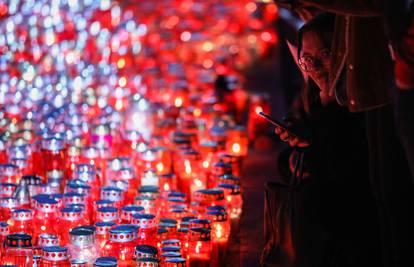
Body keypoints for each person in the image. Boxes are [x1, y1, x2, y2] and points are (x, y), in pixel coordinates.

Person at [273, 1, 414, 266]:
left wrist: (310, 147)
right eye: (307, 60)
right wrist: (297, 154)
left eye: (324, 54)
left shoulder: (360, 113)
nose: (314, 66)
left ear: (342, 55)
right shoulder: (312, 104)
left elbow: (342, 179)